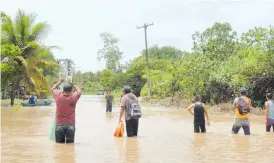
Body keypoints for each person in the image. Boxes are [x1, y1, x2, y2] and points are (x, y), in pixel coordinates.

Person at [51, 79, 82, 143]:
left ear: (63, 90)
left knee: (59, 147)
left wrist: (59, 82)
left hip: (59, 124)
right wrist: (73, 85)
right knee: (70, 146)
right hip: (70, 125)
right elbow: (79, 90)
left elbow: (53, 88)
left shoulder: (58, 95)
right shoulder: (74, 96)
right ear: (71, 90)